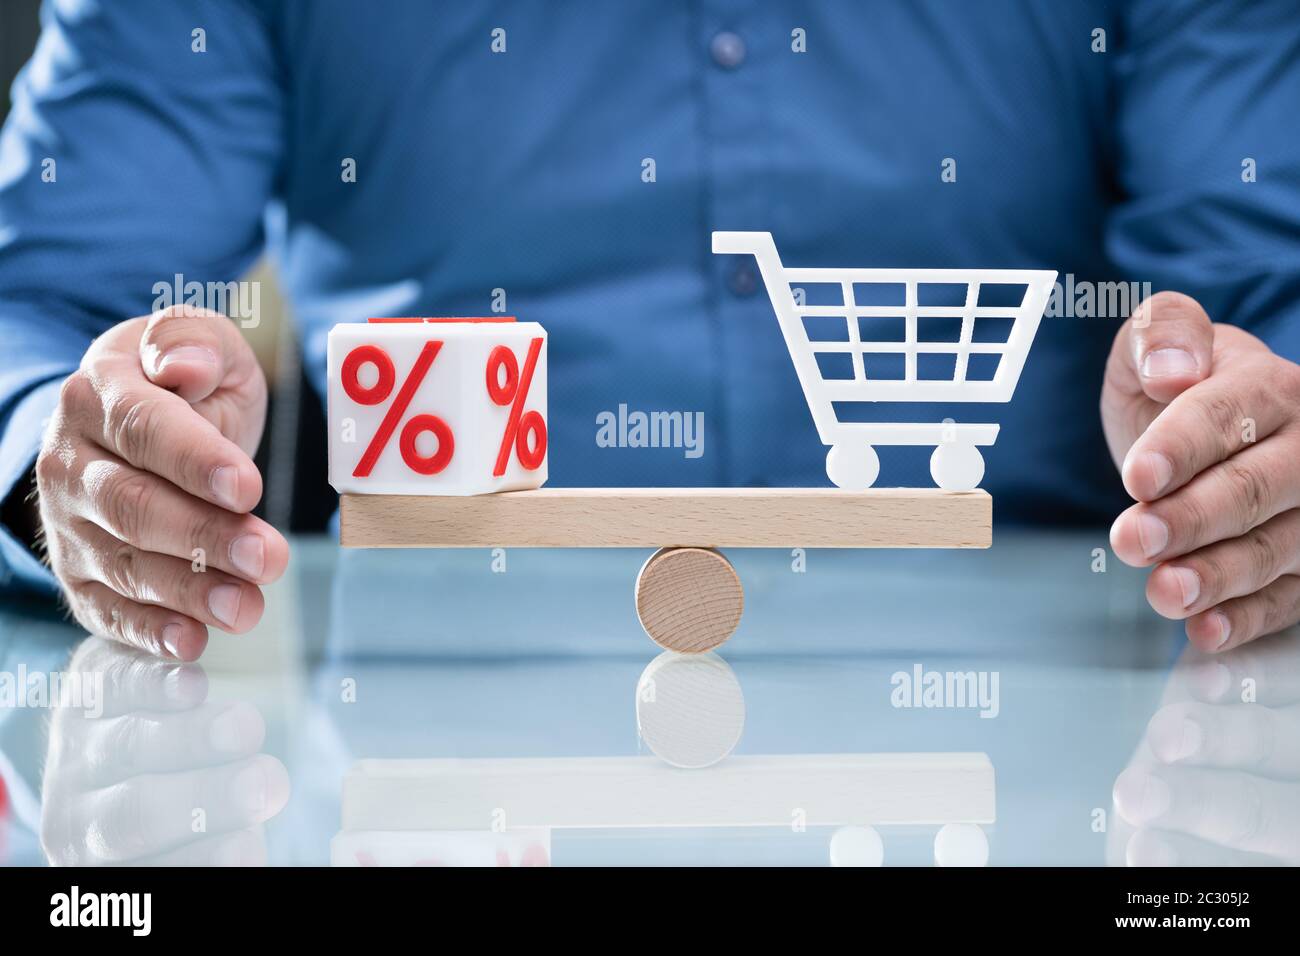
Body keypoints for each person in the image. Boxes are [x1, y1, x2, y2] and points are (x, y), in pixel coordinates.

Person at [1, 1, 1297, 661]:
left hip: (1105, 701)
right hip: (432, 743)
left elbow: (1265, 294)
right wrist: (75, 457)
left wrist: (1245, 426)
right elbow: (46, 310)